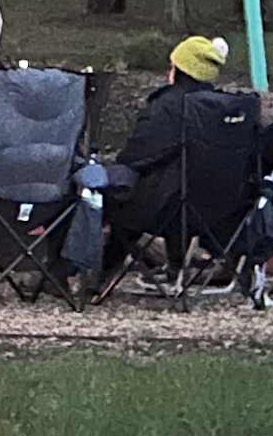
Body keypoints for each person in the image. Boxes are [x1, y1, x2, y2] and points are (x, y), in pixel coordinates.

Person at [105, 35, 259, 279]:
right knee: (175, 181)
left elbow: (138, 154)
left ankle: (100, 273)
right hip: (223, 212)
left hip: (171, 210)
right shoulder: (229, 109)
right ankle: (176, 268)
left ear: (178, 69)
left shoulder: (169, 106)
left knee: (120, 191)